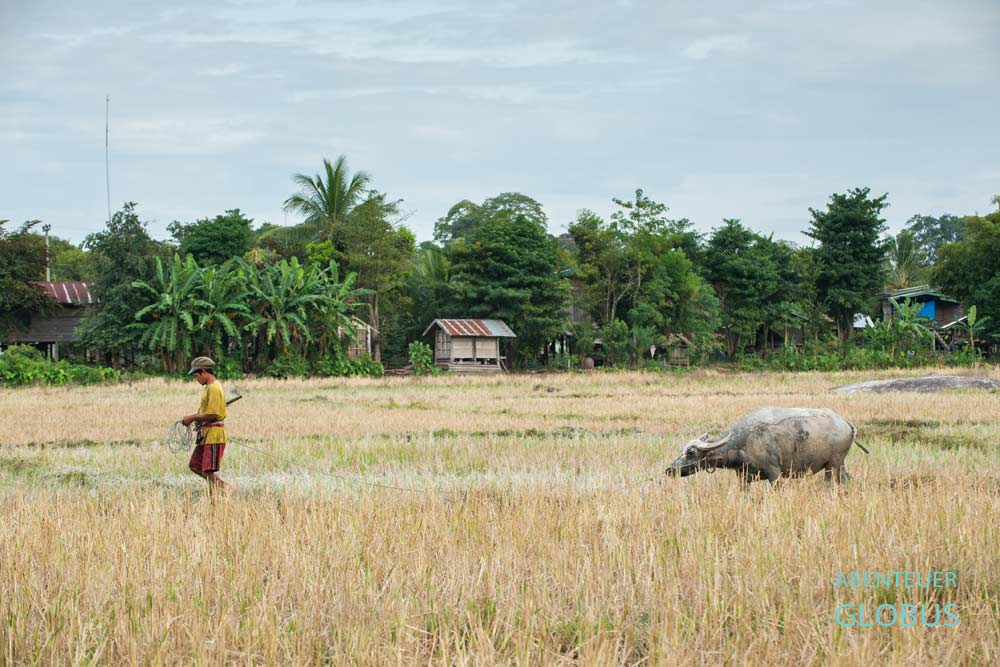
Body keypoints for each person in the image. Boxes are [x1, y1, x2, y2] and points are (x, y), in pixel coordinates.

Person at [182, 356, 229, 495]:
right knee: (196, 466)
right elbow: (207, 411)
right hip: (206, 435)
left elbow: (213, 414)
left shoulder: (214, 388)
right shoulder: (209, 388)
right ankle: (219, 489)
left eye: (197, 376)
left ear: (203, 372)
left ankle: (221, 490)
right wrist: (197, 418)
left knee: (208, 471)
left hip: (214, 435)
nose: (197, 379)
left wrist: (192, 417)